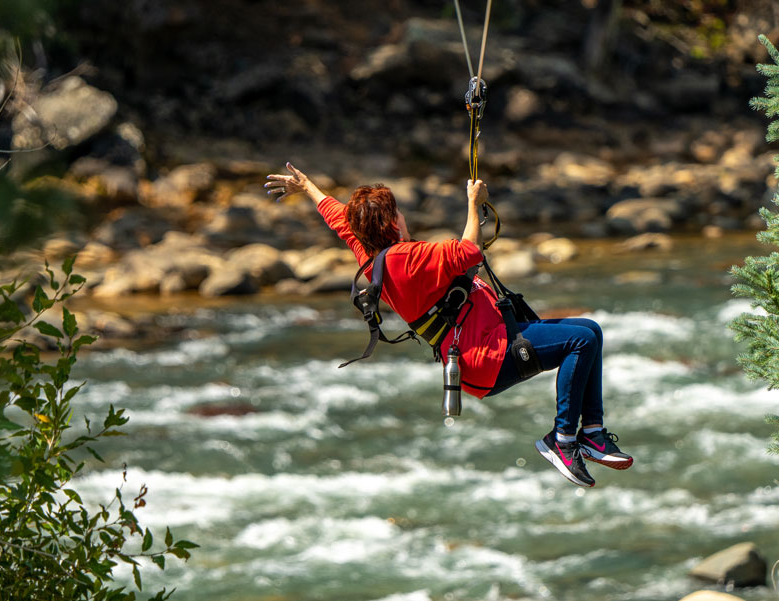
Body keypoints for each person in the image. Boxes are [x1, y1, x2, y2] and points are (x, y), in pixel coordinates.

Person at [264, 162, 633, 487]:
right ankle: (563, 439)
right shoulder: (408, 259)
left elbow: (338, 218)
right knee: (580, 342)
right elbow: (469, 250)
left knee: (590, 331)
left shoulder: (369, 254)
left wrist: (308, 187)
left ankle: (594, 433)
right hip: (487, 357)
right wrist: (474, 203)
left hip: (489, 343)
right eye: (399, 213)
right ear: (392, 222)